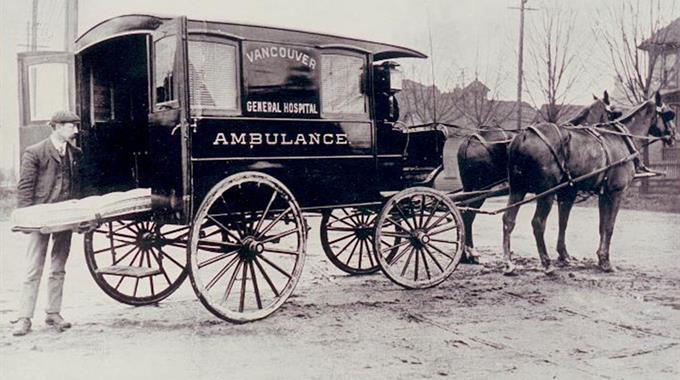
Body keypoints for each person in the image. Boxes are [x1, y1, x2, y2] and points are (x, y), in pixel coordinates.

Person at [12, 110, 82, 336]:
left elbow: (78, 187)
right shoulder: (35, 152)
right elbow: (25, 188)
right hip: (40, 217)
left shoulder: (75, 152)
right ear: (58, 127)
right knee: (33, 268)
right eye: (72, 126)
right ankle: (24, 317)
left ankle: (53, 313)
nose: (76, 131)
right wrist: (26, 218)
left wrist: (78, 215)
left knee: (58, 267)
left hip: (64, 217)